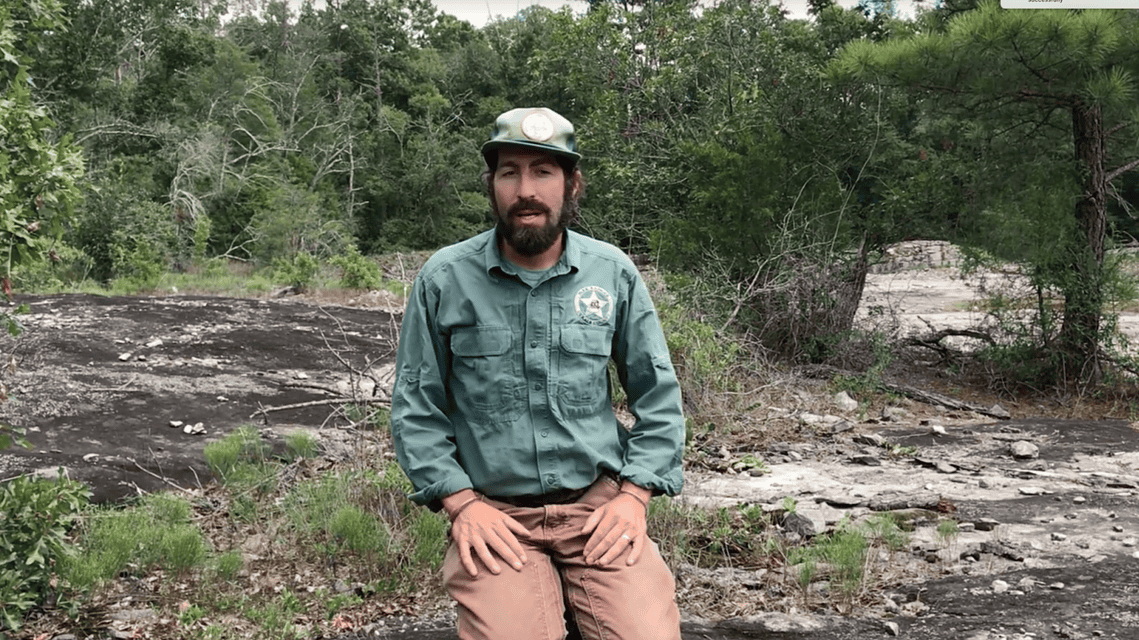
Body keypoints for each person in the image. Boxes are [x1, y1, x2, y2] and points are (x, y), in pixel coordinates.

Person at [391, 107, 685, 640]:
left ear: (572, 184)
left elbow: (658, 395)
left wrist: (634, 497)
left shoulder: (612, 273)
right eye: (510, 172)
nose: (526, 189)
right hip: (495, 518)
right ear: (491, 184)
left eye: (543, 171)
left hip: (597, 512)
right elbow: (416, 407)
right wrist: (460, 505)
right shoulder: (444, 278)